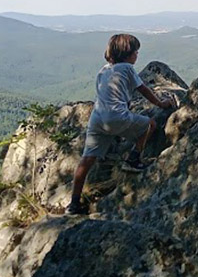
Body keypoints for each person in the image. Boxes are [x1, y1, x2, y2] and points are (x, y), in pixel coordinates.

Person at [66, 33, 174, 215]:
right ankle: (134, 159)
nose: (137, 55)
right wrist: (161, 104)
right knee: (151, 125)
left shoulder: (103, 71)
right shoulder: (127, 68)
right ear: (127, 53)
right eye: (136, 51)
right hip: (116, 116)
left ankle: (73, 203)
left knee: (86, 160)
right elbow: (144, 90)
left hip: (97, 118)